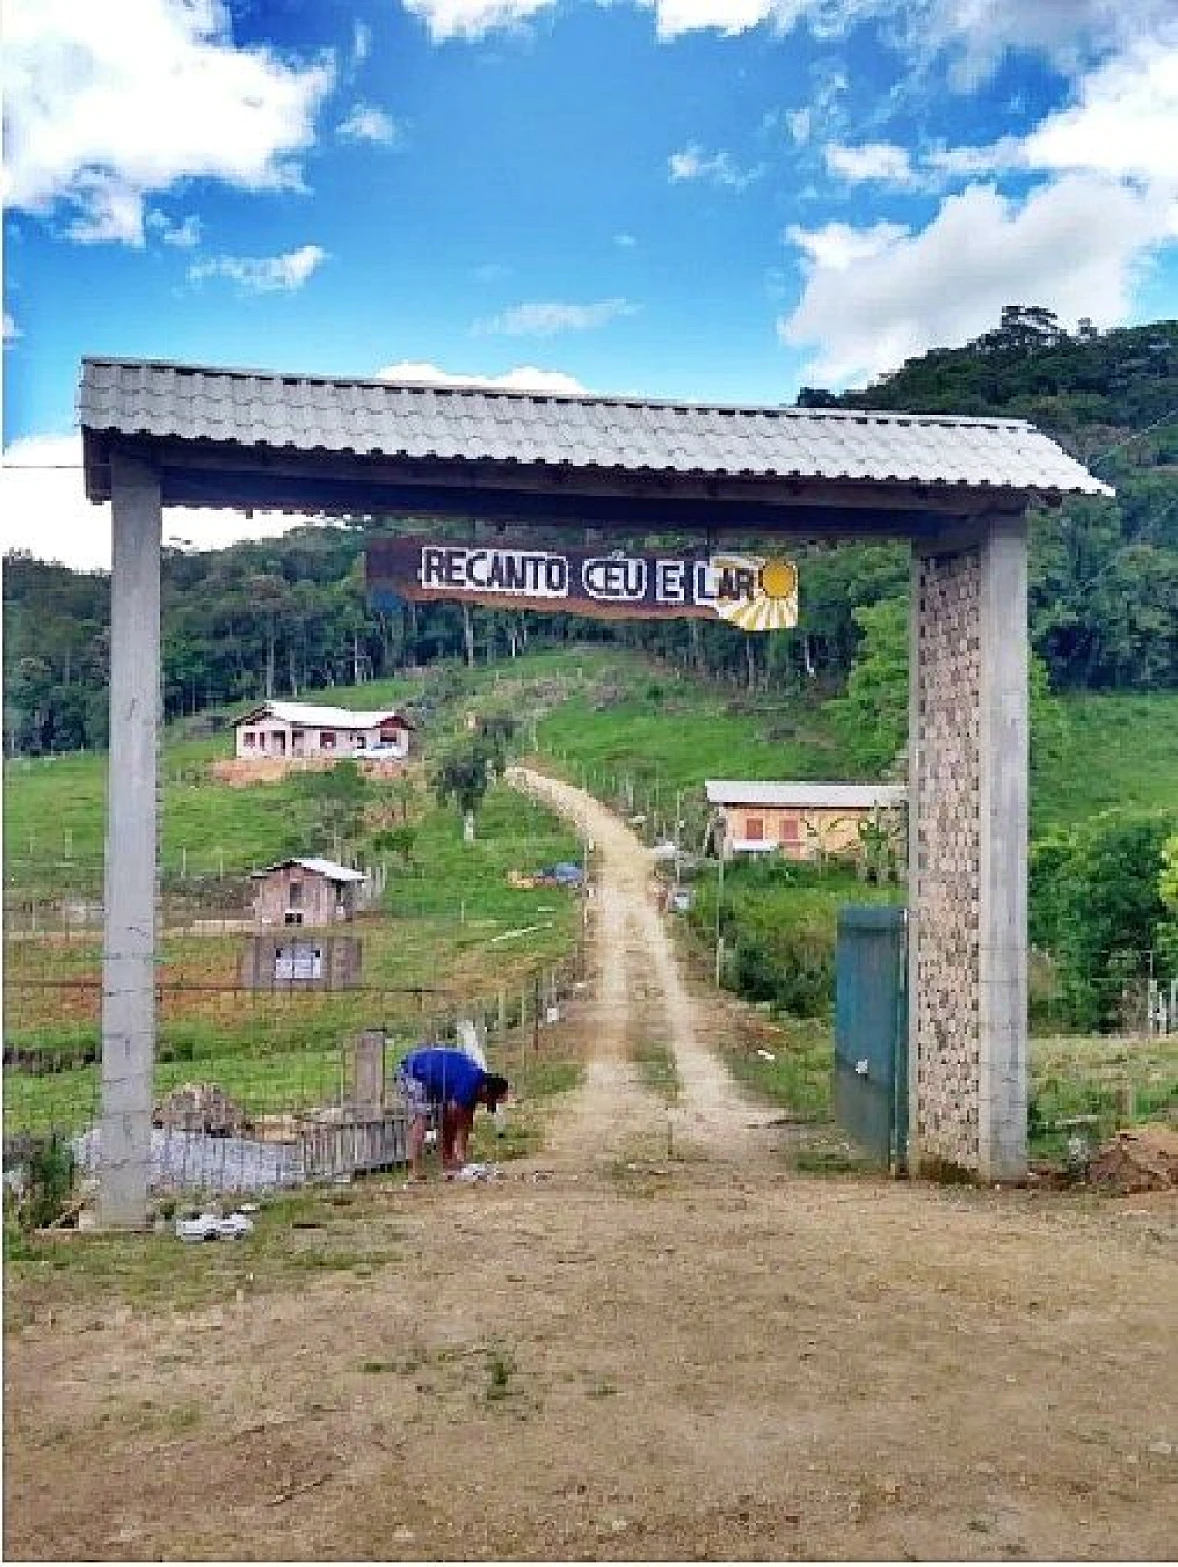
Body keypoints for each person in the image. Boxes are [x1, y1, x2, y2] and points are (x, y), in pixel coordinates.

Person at [396, 1045, 508, 1181]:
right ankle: (415, 1171)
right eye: (489, 1100)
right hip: (413, 1072)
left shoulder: (475, 1087)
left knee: (448, 1119)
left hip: (434, 1079)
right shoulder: (469, 1083)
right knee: (421, 1119)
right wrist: (460, 1155)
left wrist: (461, 1158)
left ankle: (447, 1164)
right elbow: (454, 1119)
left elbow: (465, 1123)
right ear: (485, 1092)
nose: (486, 1104)